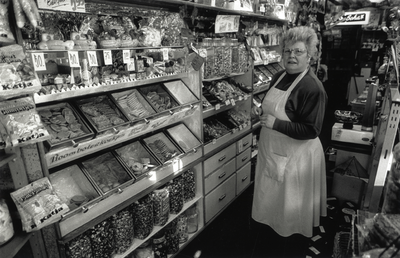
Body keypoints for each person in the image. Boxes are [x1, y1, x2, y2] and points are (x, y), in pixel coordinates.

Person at [252, 26, 327, 238]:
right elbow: (273, 107)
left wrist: (276, 124)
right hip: (273, 149)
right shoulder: (278, 76)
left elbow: (312, 129)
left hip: (296, 156)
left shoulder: (312, 87)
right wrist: (261, 110)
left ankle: (288, 239)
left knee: (291, 205)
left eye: (298, 51)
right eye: (287, 51)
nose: (291, 56)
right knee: (273, 199)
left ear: (309, 55)